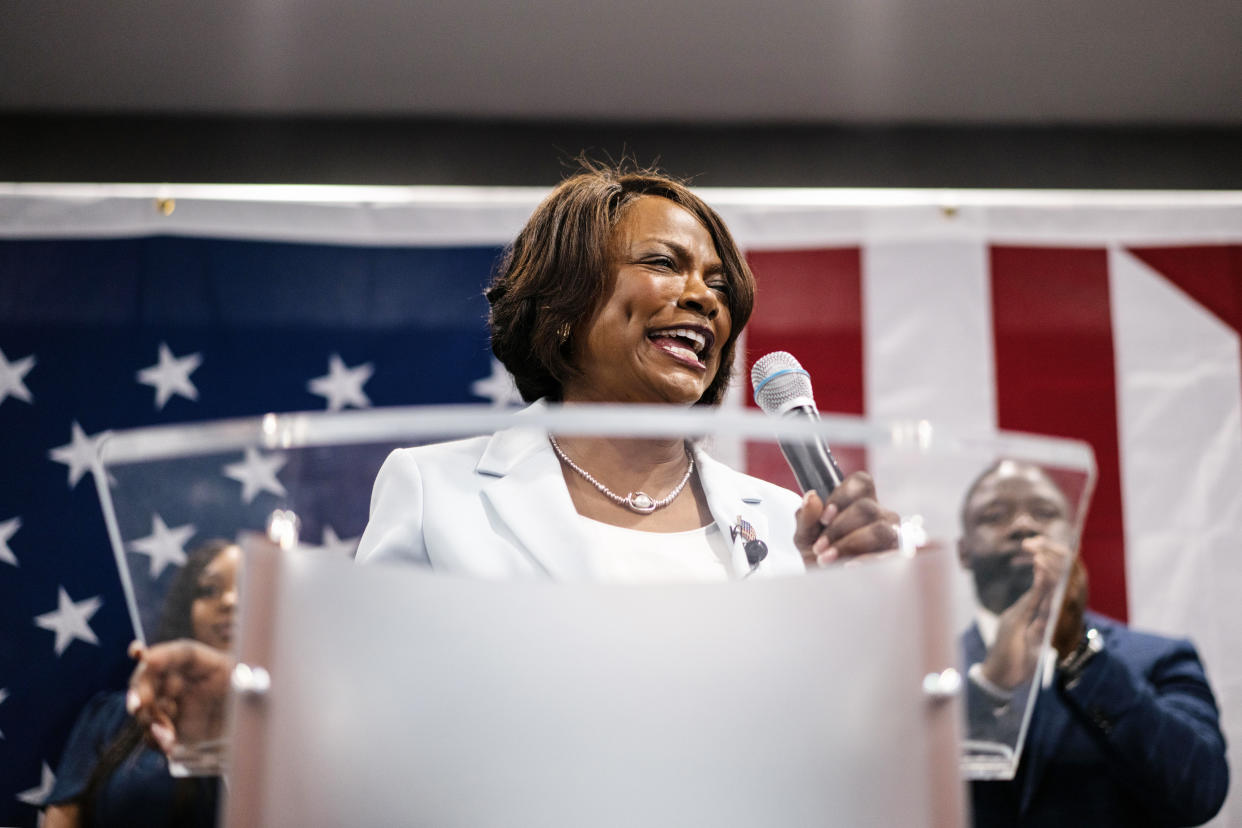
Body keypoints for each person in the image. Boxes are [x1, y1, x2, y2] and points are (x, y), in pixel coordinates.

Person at [125, 163, 901, 751]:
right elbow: (355, 707)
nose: (703, 296)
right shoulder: (437, 491)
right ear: (563, 312)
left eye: (719, 283)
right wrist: (239, 707)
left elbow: (842, 738)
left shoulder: (786, 522)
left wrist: (857, 611)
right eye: (665, 264)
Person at [959, 460, 1229, 827]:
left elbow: (1200, 790)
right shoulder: (919, 669)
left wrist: (1081, 656)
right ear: (962, 550)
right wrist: (989, 687)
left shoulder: (1159, 658)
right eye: (994, 516)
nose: (1023, 525)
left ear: (1073, 537)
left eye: (1044, 512)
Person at [42, 540, 239, 828]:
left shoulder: (296, 725)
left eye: (248, 590)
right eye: (209, 590)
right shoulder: (113, 714)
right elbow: (62, 819)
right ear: (185, 609)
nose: (230, 601)